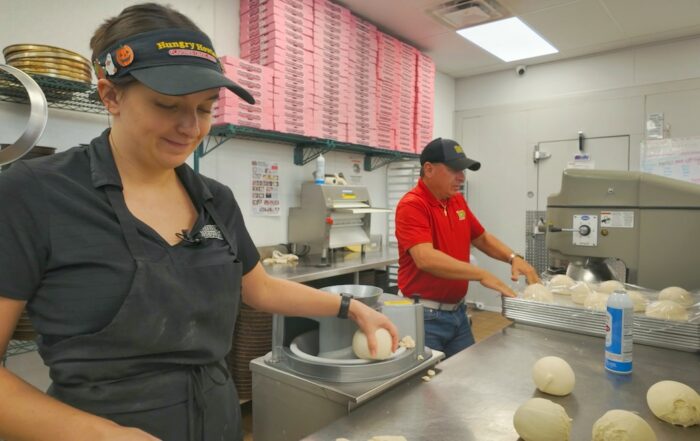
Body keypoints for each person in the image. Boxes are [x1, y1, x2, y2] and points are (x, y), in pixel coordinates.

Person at [0, 4, 398, 441]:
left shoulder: (215, 200)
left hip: (217, 421)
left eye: (206, 108)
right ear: (110, 95)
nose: (190, 127)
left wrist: (350, 307)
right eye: (167, 105)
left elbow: (259, 287)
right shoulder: (34, 194)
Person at [395, 137, 539, 358]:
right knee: (425, 387)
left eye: (463, 170)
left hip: (458, 314)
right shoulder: (413, 205)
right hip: (424, 317)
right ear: (429, 169)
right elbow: (426, 258)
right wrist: (480, 274)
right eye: (454, 170)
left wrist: (513, 257)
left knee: (465, 378)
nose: (461, 177)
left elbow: (481, 238)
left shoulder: (456, 201)